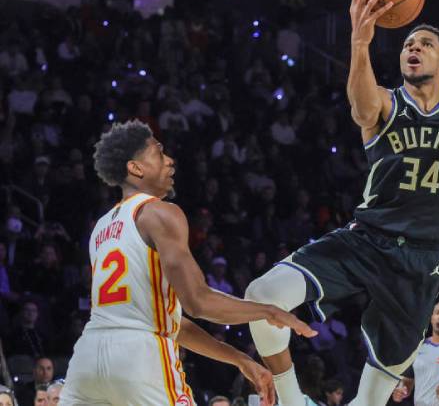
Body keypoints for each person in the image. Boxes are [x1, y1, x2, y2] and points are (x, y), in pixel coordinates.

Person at [245, 0, 439, 406]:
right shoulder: (386, 100)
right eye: (407, 44)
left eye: (425, 44)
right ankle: (288, 399)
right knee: (261, 295)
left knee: (375, 394)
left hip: (423, 260)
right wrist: (360, 44)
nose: (413, 48)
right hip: (366, 240)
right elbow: (361, 108)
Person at [60, 120, 316, 406]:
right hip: (140, 356)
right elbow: (198, 302)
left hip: (87, 358)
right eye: (158, 153)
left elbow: (174, 323)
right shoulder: (160, 213)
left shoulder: (101, 228)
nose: (170, 161)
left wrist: (239, 359)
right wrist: (268, 310)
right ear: (135, 168)